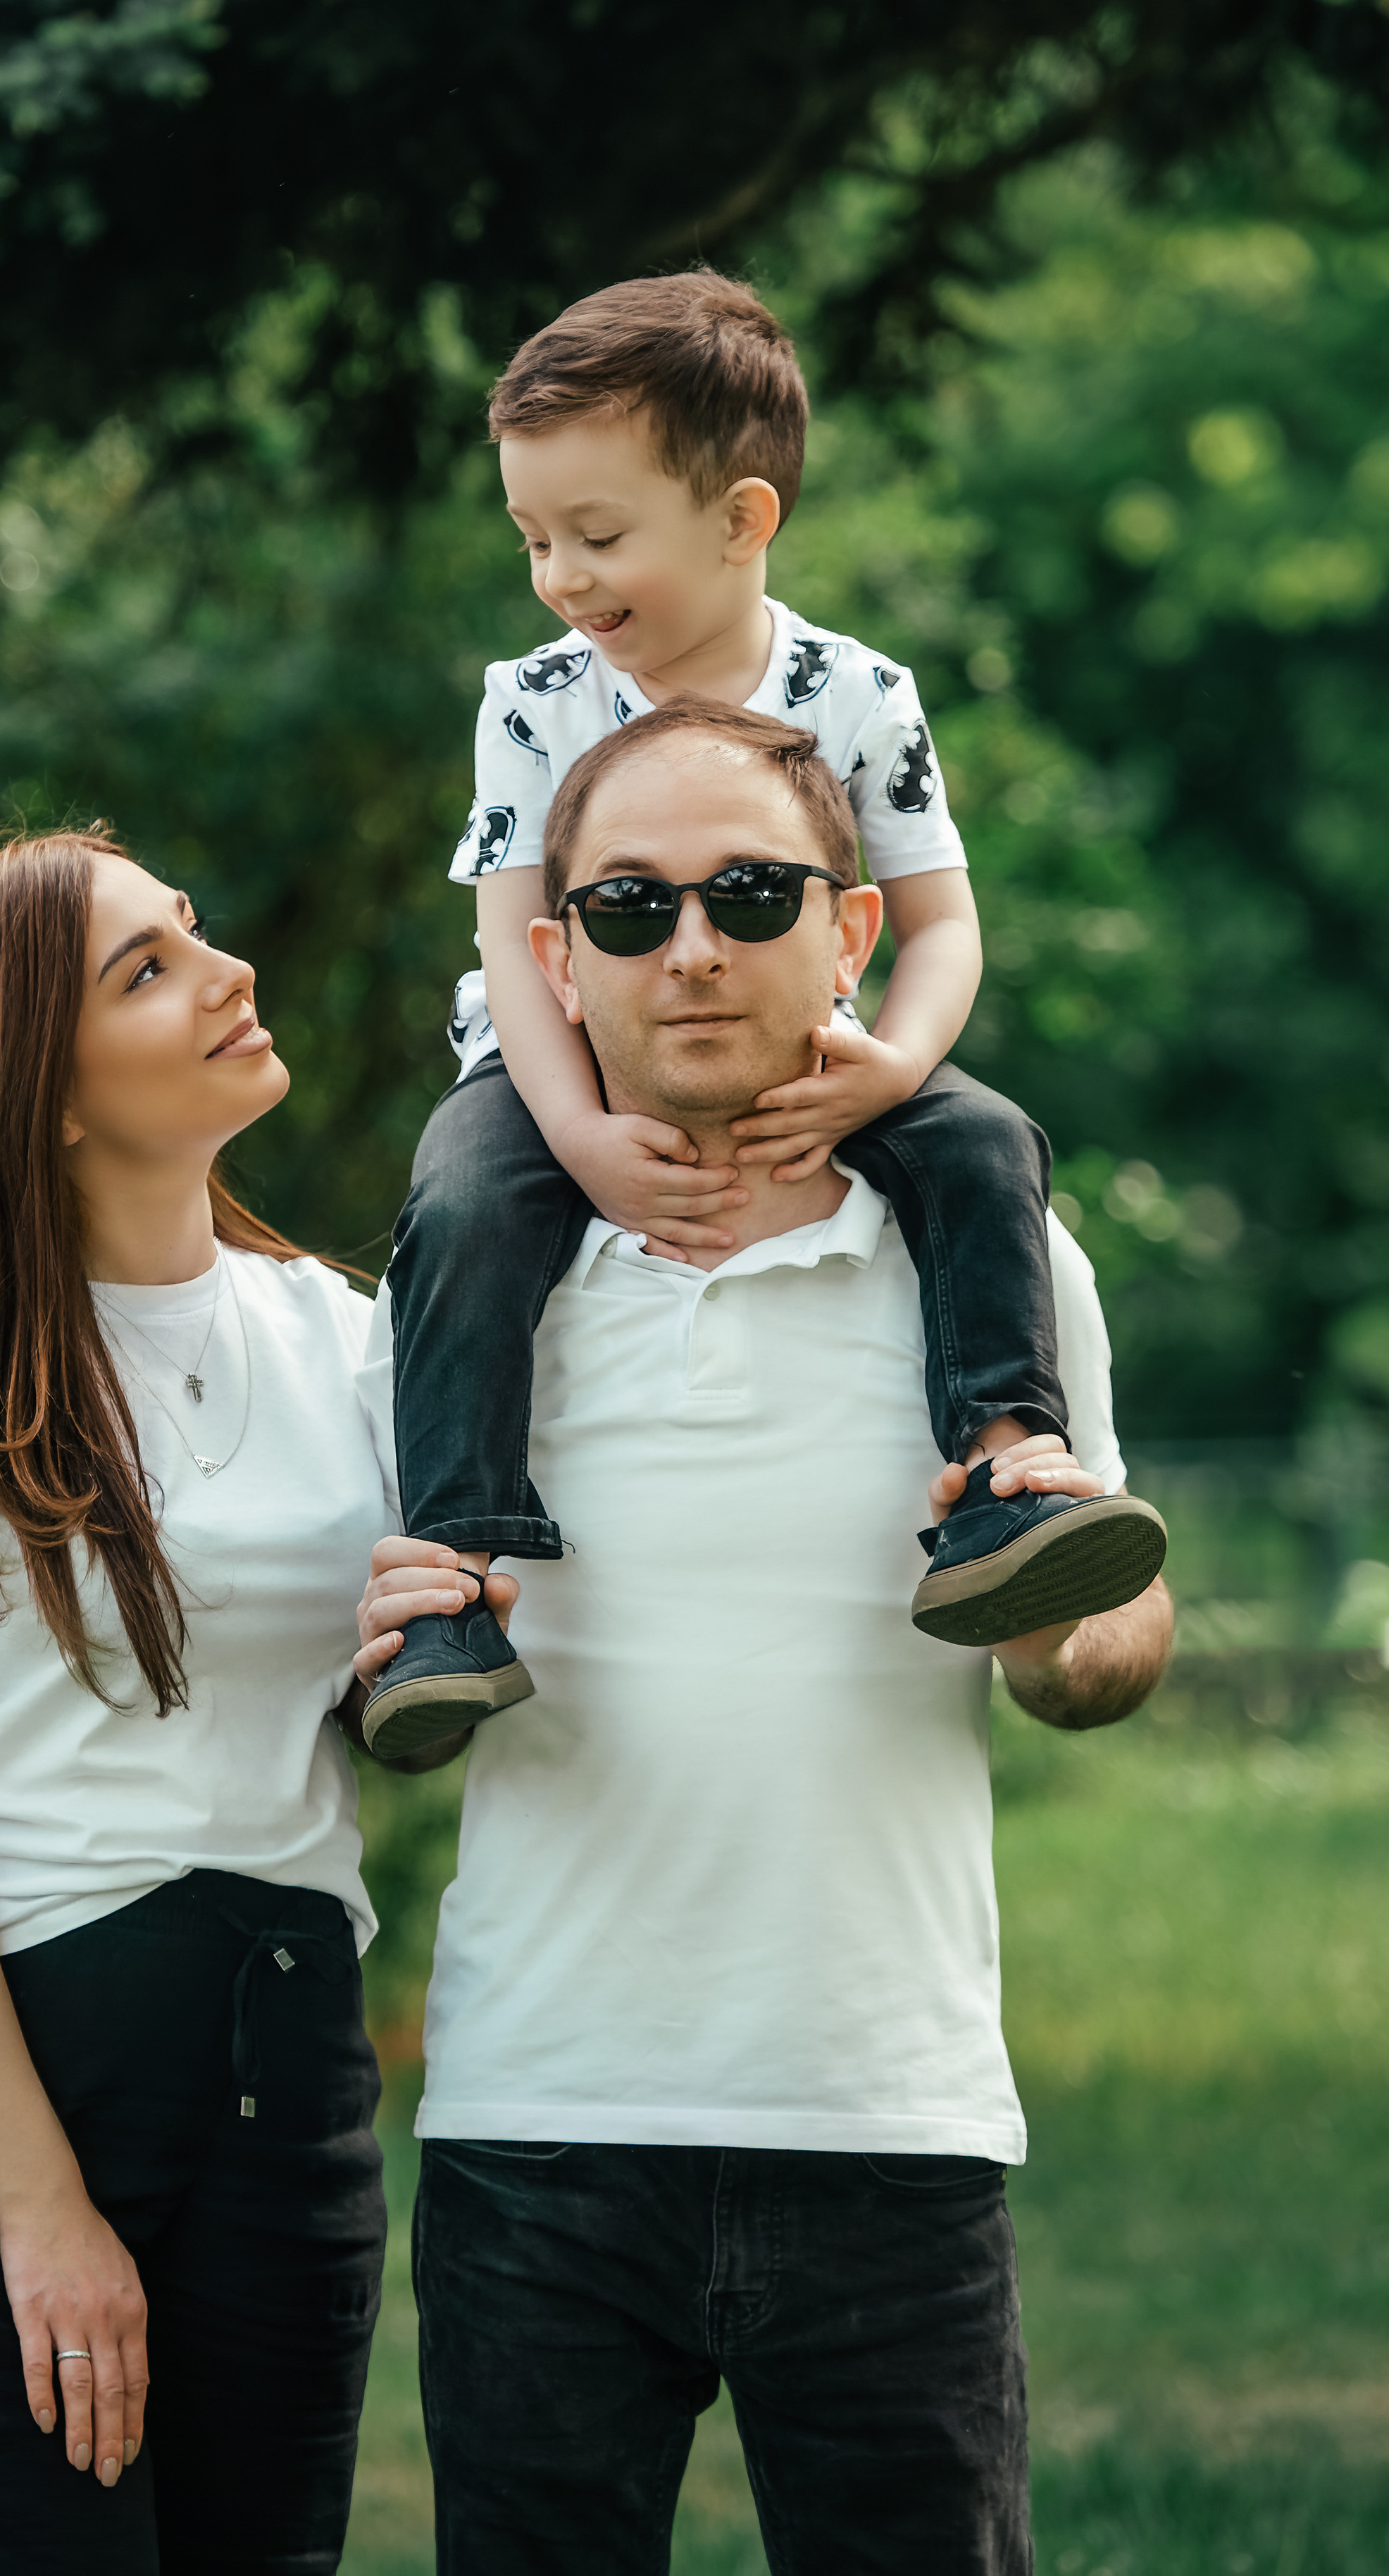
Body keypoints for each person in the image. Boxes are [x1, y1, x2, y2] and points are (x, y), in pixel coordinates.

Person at [354, 705, 1176, 2573]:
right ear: (552, 959)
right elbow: (348, 1685)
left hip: (888, 2113)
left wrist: (1065, 1639)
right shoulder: (457, 1285)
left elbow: (1114, 1627)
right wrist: (370, 1657)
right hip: (538, 2124)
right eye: (631, 909)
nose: (696, 949)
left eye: (749, 893)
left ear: (855, 930)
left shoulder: (1002, 1264)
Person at [364, 270, 1165, 1755]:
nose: (559, 576)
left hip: (819, 1050)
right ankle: (455, 1583)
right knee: (466, 1203)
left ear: (740, 521)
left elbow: (936, 923)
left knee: (986, 1142)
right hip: (548, 1058)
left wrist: (892, 1068)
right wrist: (580, 1136)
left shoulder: (854, 693)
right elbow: (512, 943)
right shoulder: (535, 699)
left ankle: (1003, 1478)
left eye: (597, 537)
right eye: (532, 538)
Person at [0, 828, 397, 2575]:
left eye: (193, 932)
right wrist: (41, 2211)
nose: (226, 975)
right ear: (37, 1094)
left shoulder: (343, 1337)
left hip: (286, 2089)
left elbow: (383, 1697)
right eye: (145, 970)